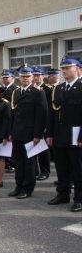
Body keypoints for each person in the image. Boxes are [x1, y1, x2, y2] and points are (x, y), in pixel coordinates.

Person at [46, 56, 82, 212]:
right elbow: (53, 113)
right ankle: (63, 194)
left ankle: (79, 199)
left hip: (76, 135)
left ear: (78, 68)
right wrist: (50, 133)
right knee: (61, 167)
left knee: (78, 168)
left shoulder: (81, 87)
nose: (64, 70)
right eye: (63, 68)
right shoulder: (59, 88)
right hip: (60, 134)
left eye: (68, 67)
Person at [8, 64, 47, 199]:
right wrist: (11, 132)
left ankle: (27, 188)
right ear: (19, 77)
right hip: (17, 132)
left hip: (30, 134)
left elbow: (41, 115)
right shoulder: (16, 92)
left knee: (29, 163)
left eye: (28, 76)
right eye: (23, 76)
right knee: (18, 162)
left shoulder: (38, 92)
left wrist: (37, 134)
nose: (25, 78)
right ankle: (18, 186)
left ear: (32, 77)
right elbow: (13, 114)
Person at [32, 66, 52, 181]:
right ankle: (34, 170)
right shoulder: (32, 89)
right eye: (34, 75)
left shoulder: (48, 89)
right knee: (33, 148)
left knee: (43, 149)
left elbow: (48, 109)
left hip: (43, 123)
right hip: (32, 123)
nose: (36, 78)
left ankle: (45, 171)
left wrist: (46, 125)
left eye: (38, 75)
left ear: (43, 76)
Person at [0, 69, 18, 174]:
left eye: (7, 77)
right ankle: (6, 162)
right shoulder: (1, 89)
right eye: (3, 77)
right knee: (4, 141)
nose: (5, 79)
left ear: (12, 78)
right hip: (3, 119)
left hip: (12, 118)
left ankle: (12, 163)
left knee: (11, 142)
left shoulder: (15, 89)